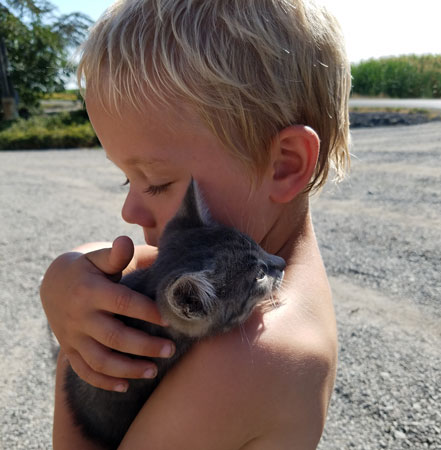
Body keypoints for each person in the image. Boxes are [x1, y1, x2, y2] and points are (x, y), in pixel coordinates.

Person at [40, 0, 351, 448]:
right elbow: (133, 261)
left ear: (284, 165)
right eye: (129, 177)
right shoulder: (275, 271)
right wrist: (63, 280)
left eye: (158, 181)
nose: (129, 210)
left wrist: (77, 357)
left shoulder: (248, 362)